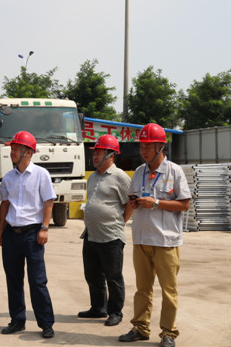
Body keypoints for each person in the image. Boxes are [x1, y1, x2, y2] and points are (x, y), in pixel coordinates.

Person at [118, 123, 191, 347]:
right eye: (141, 146)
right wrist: (132, 206)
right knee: (142, 289)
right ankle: (140, 328)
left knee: (169, 291)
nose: (143, 150)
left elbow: (185, 204)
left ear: (160, 146)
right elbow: (131, 201)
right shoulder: (139, 172)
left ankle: (168, 333)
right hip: (141, 239)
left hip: (166, 241)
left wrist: (156, 202)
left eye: (148, 146)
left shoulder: (174, 171)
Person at [0, 131, 56, 339]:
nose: (12, 152)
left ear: (28, 152)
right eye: (12, 148)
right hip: (11, 234)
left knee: (37, 281)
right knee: (13, 280)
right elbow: (5, 205)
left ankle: (46, 323)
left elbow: (48, 202)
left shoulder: (41, 174)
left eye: (16, 149)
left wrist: (44, 228)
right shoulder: (8, 177)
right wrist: (1, 231)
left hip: (33, 234)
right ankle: (17, 320)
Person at [79, 134, 133, 327]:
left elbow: (130, 203)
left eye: (99, 152)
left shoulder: (120, 177)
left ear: (111, 155)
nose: (95, 156)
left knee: (113, 276)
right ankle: (98, 307)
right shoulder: (93, 176)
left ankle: (115, 311)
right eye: (94, 152)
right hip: (91, 234)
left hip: (111, 236)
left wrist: (119, 222)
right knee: (92, 275)